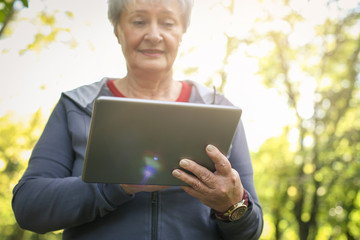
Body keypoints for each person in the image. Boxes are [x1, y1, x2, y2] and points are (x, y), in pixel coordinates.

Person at [12, 0, 263, 239]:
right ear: (117, 30)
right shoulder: (76, 106)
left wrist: (232, 205)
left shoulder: (219, 109)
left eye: (167, 23)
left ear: (182, 31)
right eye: (139, 21)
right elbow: (28, 207)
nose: (154, 35)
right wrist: (116, 186)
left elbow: (251, 231)